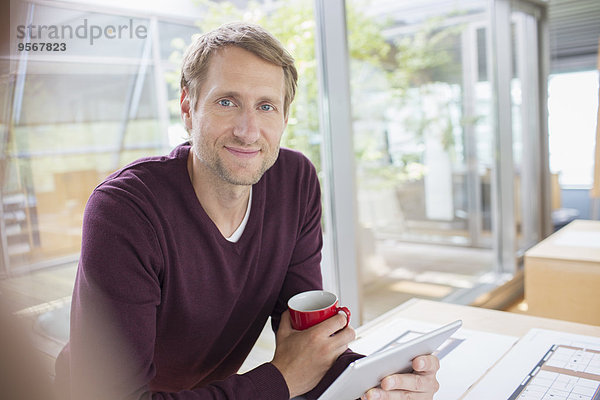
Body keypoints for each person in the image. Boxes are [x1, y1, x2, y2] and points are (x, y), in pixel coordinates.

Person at [54, 22, 440, 400]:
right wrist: (280, 381)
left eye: (266, 106)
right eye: (227, 102)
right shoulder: (125, 210)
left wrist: (381, 382)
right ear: (189, 107)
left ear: (285, 118)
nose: (248, 130)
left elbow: (307, 343)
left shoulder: (295, 181)